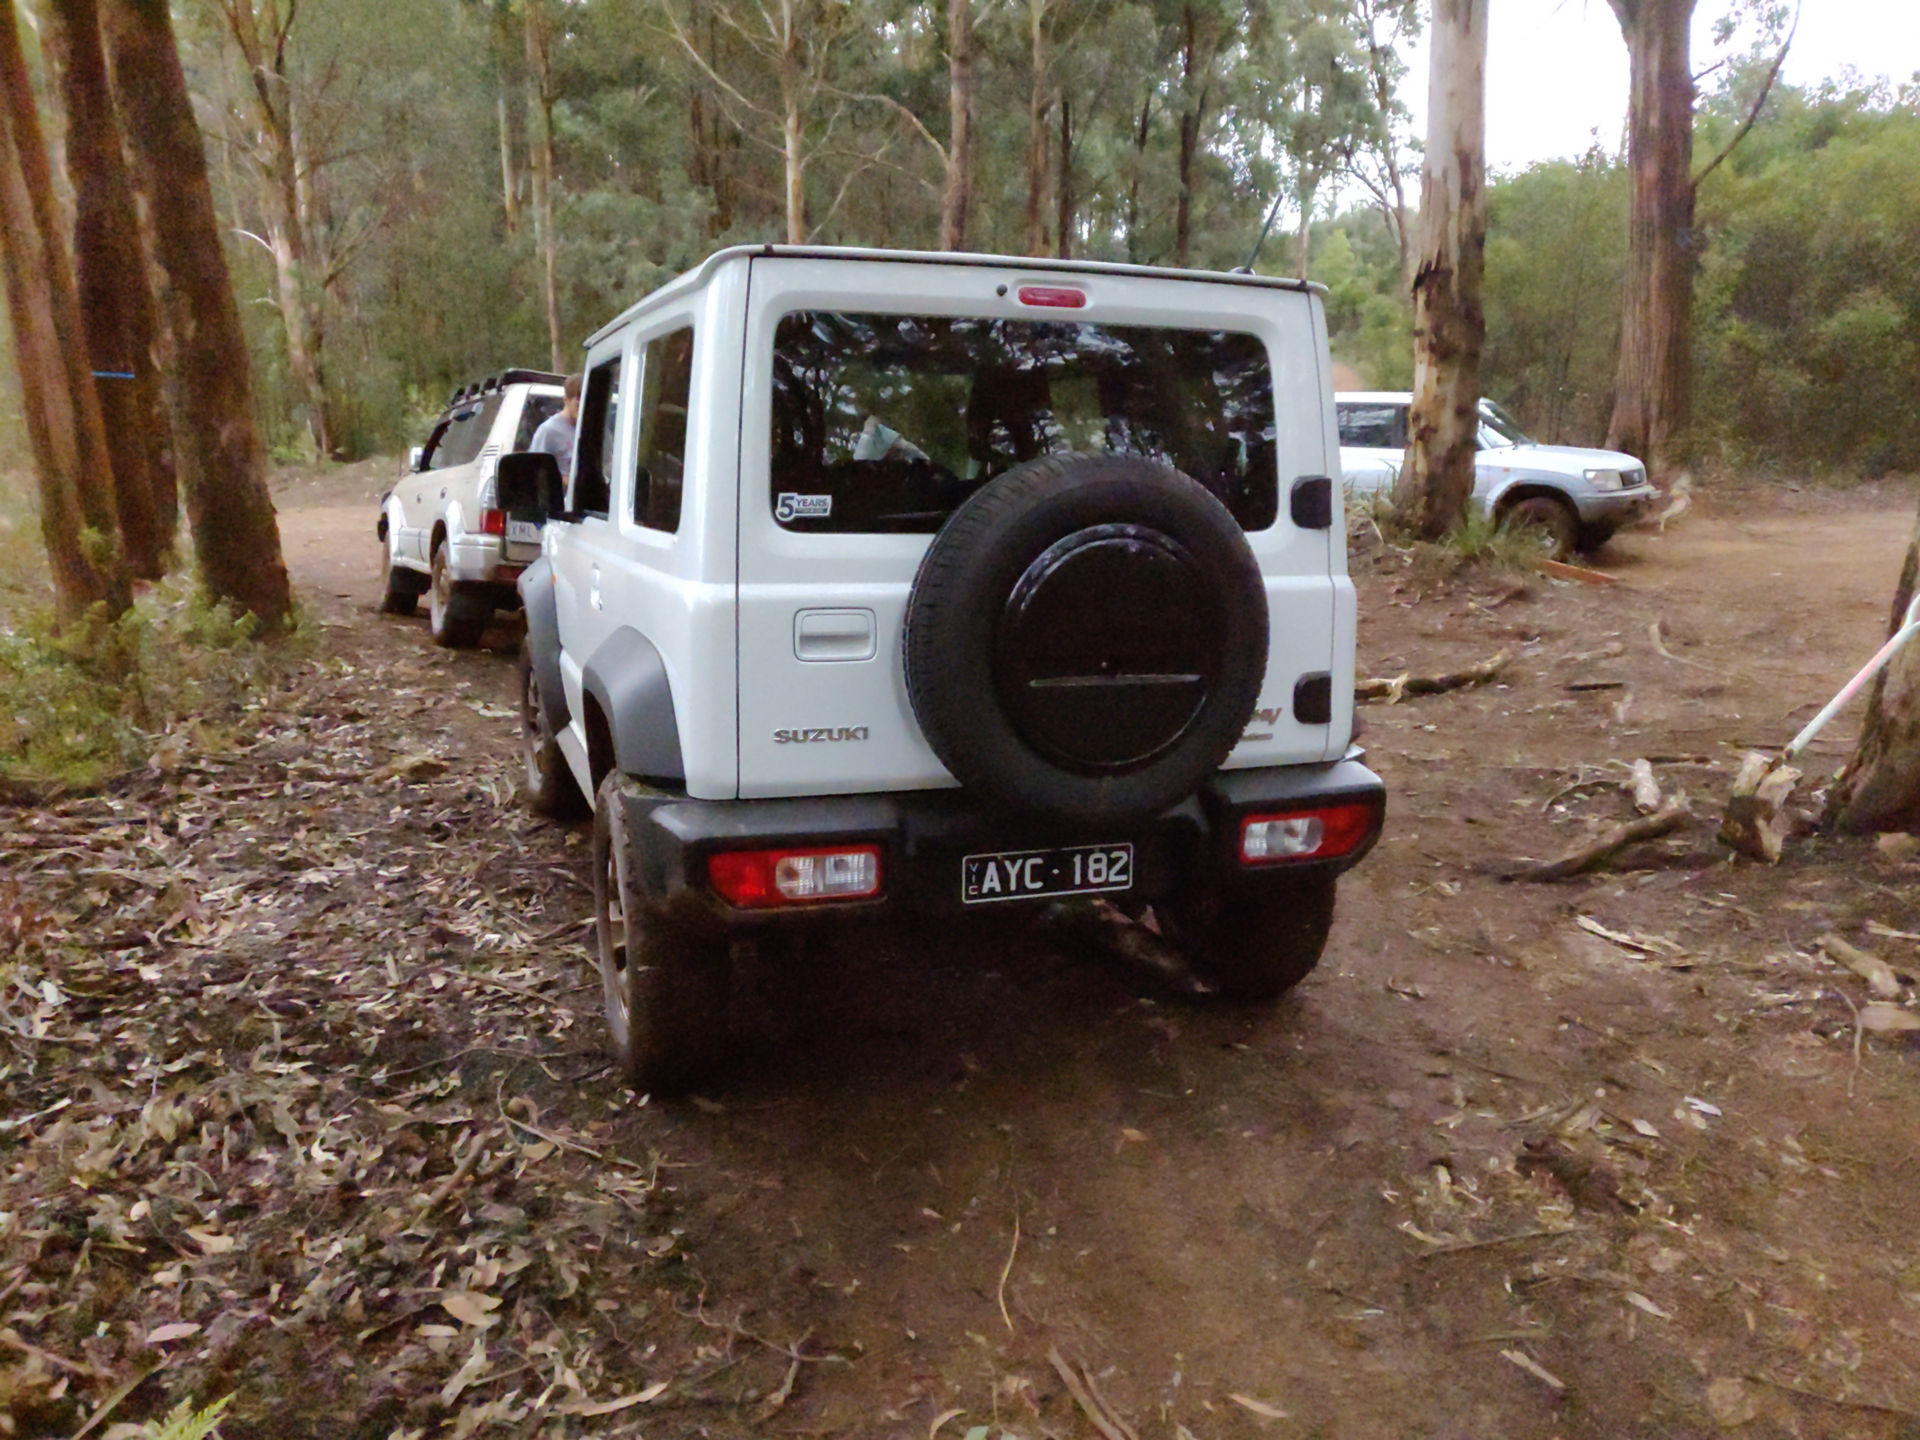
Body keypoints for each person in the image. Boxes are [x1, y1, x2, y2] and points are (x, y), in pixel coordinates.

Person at [531, 372, 582, 476]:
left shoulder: (596, 429)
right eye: (578, 406)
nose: (583, 411)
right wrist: (568, 481)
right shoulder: (548, 431)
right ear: (566, 400)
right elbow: (536, 472)